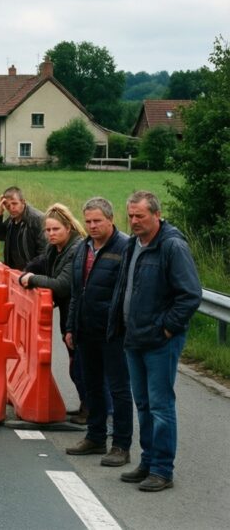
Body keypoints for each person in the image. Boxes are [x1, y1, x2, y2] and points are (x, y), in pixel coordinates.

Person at [108, 191, 201, 492]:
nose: (134, 221)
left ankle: (162, 469)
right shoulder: (133, 244)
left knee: (160, 406)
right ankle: (148, 462)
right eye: (131, 216)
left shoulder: (171, 246)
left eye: (140, 216)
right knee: (144, 404)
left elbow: (189, 295)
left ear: (156, 215)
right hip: (134, 337)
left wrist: (167, 329)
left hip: (159, 340)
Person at [63, 197, 133, 467]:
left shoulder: (125, 248)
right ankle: (95, 437)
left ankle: (121, 445)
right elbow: (76, 292)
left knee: (118, 389)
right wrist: (71, 326)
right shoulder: (83, 248)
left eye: (97, 221)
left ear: (110, 220)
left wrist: (122, 326)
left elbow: (128, 291)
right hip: (86, 330)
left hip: (113, 332)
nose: (92, 226)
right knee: (92, 386)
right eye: (88, 221)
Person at [17, 203, 86, 425]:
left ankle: (94, 410)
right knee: (75, 362)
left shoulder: (75, 250)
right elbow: (41, 262)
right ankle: (87, 406)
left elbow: (63, 284)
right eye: (48, 230)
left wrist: (32, 280)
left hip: (79, 313)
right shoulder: (55, 248)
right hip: (68, 312)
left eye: (55, 229)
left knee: (82, 364)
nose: (51, 234)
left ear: (68, 228)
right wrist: (27, 271)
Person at [0, 186, 47, 270]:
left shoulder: (36, 219)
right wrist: (0, 211)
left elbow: (44, 251)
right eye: (8, 206)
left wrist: (30, 271)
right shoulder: (12, 219)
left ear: (23, 202)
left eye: (14, 203)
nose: (12, 208)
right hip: (13, 272)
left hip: (30, 274)